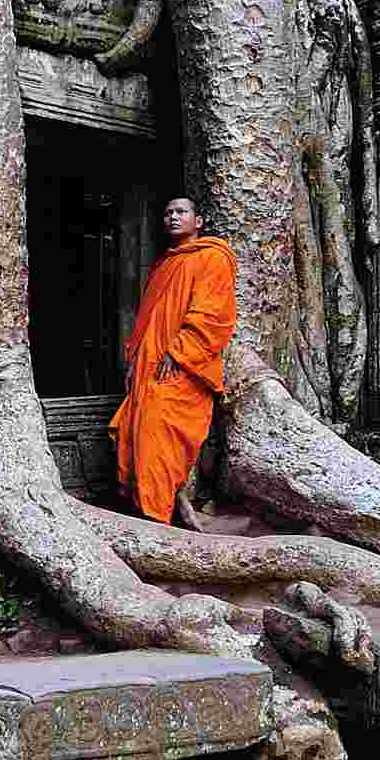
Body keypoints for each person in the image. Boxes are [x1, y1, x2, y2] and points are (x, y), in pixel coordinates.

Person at [108, 196, 238, 526]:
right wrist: (137, 361)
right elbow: (147, 322)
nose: (173, 218)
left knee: (159, 437)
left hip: (182, 366)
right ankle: (150, 513)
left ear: (199, 221)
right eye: (167, 213)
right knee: (138, 435)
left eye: (181, 212)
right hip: (150, 367)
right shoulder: (164, 265)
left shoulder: (212, 258)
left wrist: (179, 352)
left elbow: (212, 315)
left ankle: (157, 518)